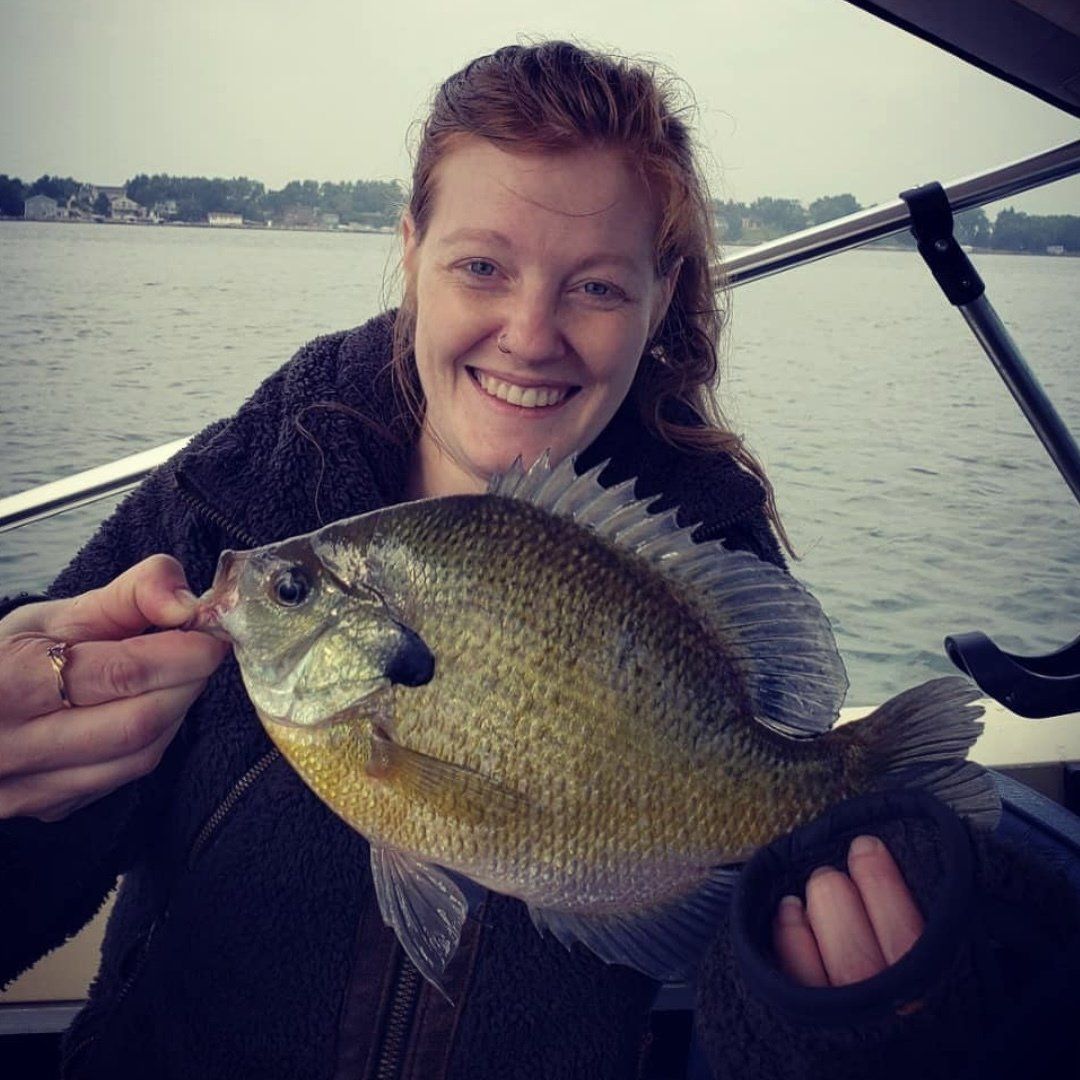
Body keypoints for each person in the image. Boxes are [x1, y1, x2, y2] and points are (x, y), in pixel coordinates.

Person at [1, 41, 1076, 1080]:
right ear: (411, 249)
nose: (528, 332)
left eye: (596, 287)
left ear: (663, 292)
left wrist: (835, 1013)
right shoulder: (235, 495)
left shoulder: (707, 551)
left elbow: (737, 967)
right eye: (481, 266)